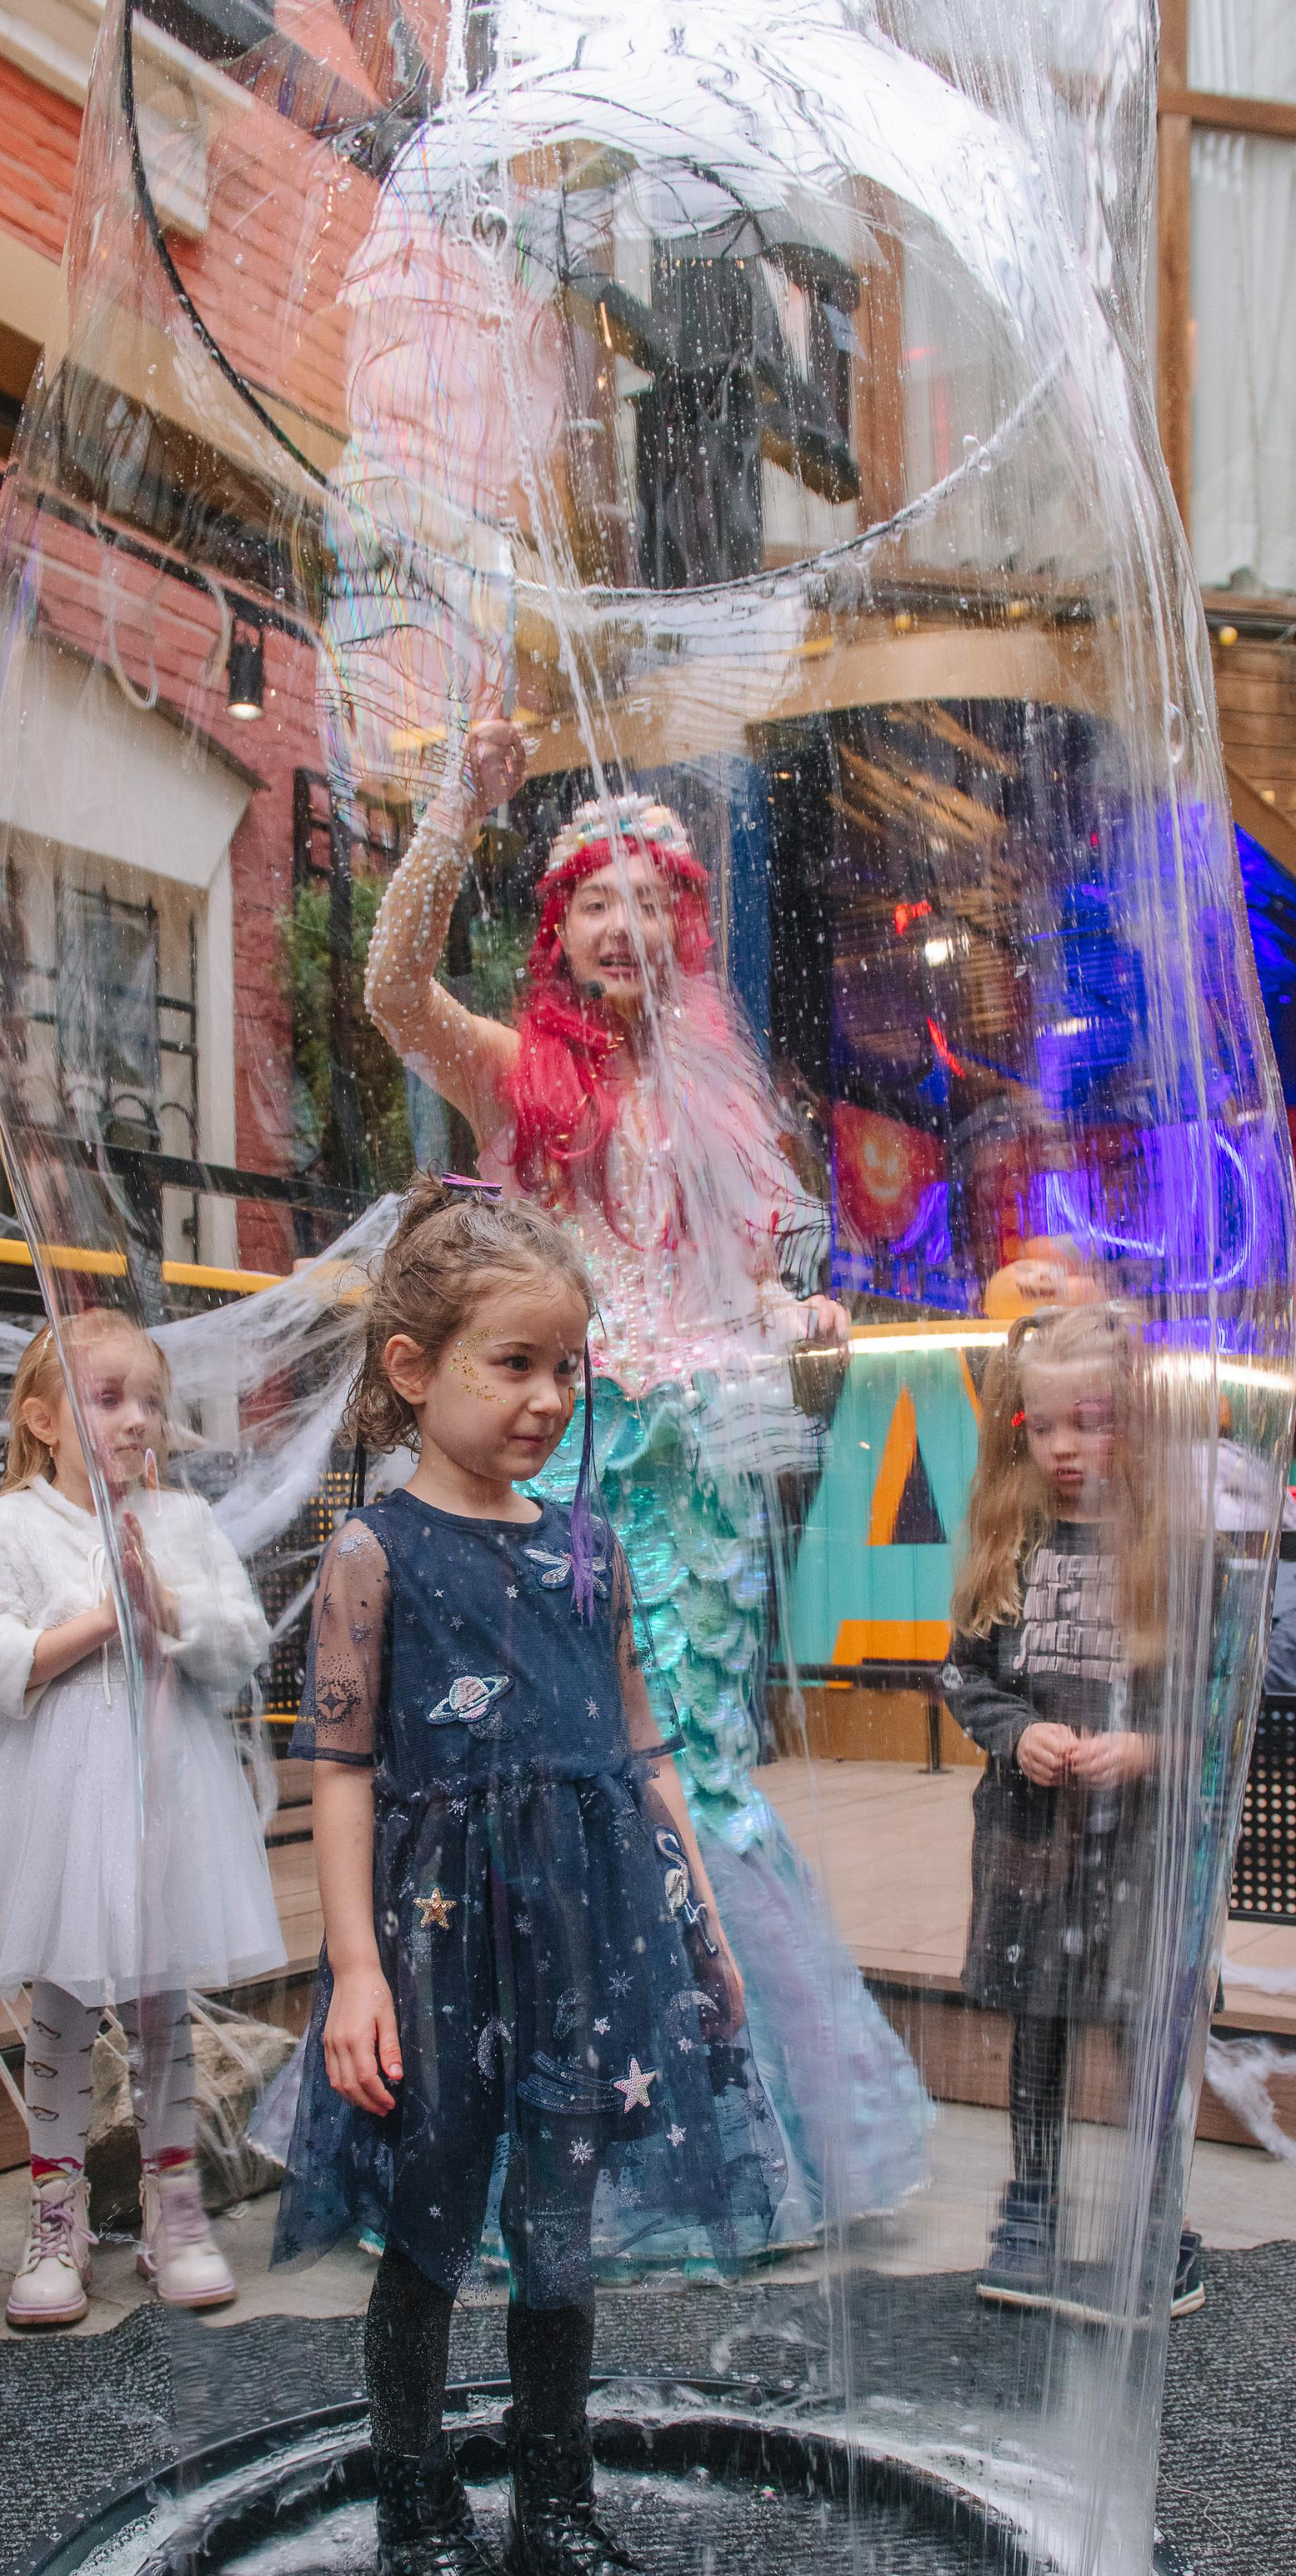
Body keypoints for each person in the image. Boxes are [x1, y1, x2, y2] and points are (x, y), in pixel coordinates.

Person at [361, 721, 928, 2255]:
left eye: (651, 899)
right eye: (593, 901)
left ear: (684, 921)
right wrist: (462, 806)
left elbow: (733, 1277)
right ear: (558, 928)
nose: (626, 927)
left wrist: (794, 1321)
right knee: (564, 1773)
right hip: (566, 1455)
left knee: (698, 1767)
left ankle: (740, 2134)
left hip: (695, 1488)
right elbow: (388, 991)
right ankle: (560, 2143)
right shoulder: (511, 1069)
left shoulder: (720, 1085)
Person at [274, 1178, 776, 2576]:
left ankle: (557, 2510)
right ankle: (419, 2526)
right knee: (429, 2225)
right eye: (515, 1363)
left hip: (588, 1939)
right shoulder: (374, 1556)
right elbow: (343, 1770)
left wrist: (703, 1918)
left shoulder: (591, 1548)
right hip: (437, 1946)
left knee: (559, 2227)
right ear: (415, 1368)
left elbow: (641, 1745)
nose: (550, 1397)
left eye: (569, 1366)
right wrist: (356, 1965)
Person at [0, 1306, 283, 2327]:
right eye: (107, 1398)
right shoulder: (8, 1526)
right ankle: (56, 2214)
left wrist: (177, 1616)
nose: (136, 1419)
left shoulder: (183, 1524)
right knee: (63, 2005)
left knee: (162, 2001)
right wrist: (104, 1622)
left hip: (167, 1788)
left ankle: (177, 2206)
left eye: (151, 1400)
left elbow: (241, 1643)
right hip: (54, 1800)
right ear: (44, 1419)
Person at [939, 1303, 1204, 2321]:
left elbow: (1219, 1704)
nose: (1063, 1448)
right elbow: (965, 1676)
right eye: (1041, 1426)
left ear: (1133, 1424)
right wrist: (1015, 1732)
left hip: (1138, 1846)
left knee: (1148, 2030)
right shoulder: (1010, 1541)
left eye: (1089, 1422)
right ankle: (1034, 2201)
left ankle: (1156, 2219)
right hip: (1029, 1843)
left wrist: (1151, 1747)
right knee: (1039, 2025)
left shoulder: (1174, 1550)